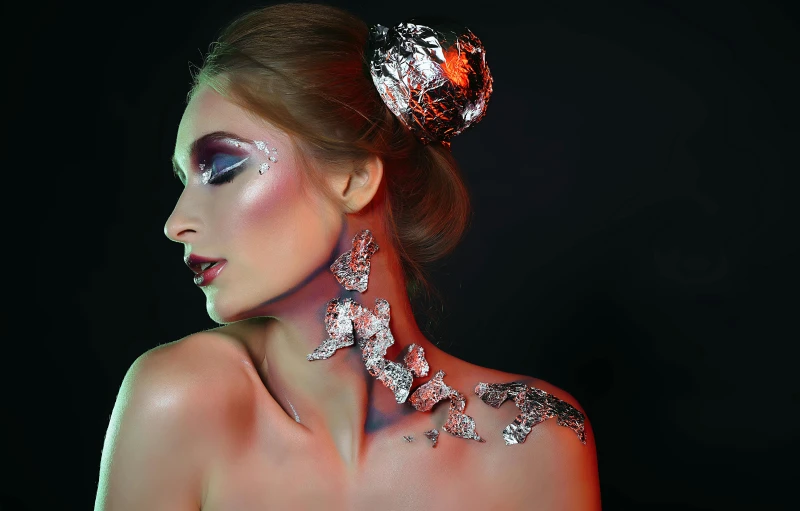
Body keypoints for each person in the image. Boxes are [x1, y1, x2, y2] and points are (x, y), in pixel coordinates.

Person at [94, 3, 601, 510]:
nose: (175, 222)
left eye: (223, 168)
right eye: (184, 181)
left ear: (355, 178)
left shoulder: (534, 437)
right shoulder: (181, 402)